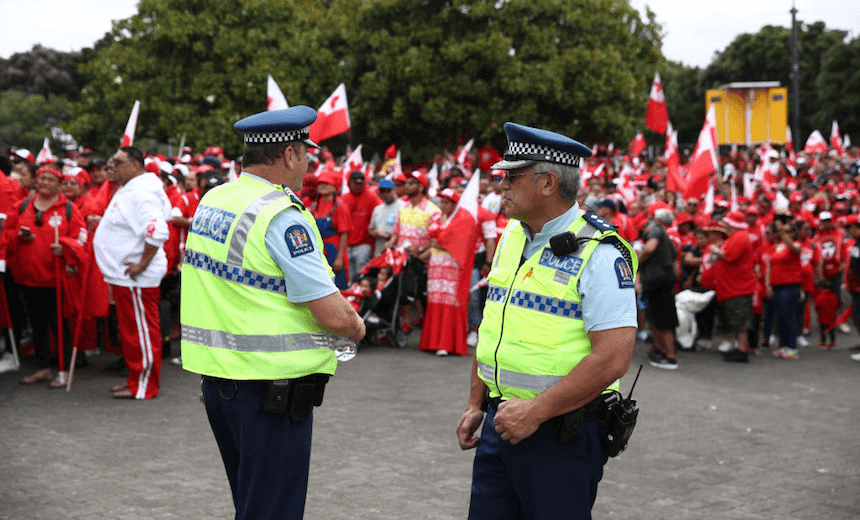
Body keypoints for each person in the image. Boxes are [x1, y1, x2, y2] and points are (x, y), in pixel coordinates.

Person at [180, 106, 365, 520]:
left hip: (221, 381)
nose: (307, 163)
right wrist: (358, 326)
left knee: (251, 503)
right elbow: (334, 316)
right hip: (270, 391)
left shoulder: (215, 198)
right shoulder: (281, 215)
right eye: (305, 153)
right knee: (273, 510)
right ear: (288, 155)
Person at [456, 122, 637, 519]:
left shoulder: (600, 252)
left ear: (548, 183)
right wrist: (476, 401)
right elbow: (494, 324)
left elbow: (613, 358)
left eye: (511, 175)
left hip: (559, 433)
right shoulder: (511, 237)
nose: (500, 183)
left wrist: (535, 412)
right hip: (502, 424)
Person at [93, 146, 171, 399]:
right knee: (132, 334)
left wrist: (141, 265)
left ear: (136, 164)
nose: (111, 166)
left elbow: (157, 231)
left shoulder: (142, 191)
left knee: (142, 333)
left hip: (136, 276)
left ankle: (146, 385)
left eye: (118, 161)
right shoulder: (131, 187)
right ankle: (135, 379)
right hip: (127, 277)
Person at [7, 166, 86, 387]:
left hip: (56, 278)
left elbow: (81, 237)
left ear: (59, 184)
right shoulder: (23, 205)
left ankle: (64, 369)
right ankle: (42, 368)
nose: (44, 182)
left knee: (59, 323)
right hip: (28, 277)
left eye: (50, 179)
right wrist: (19, 237)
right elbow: (8, 234)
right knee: (37, 324)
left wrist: (66, 248)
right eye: (41, 178)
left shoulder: (67, 208)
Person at [419, 188, 478, 357]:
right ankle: (432, 341)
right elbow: (433, 240)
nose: (443, 205)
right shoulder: (438, 217)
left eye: (446, 202)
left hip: (452, 264)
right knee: (435, 298)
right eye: (442, 202)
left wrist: (442, 243)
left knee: (448, 300)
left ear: (454, 203)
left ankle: (446, 343)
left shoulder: (462, 219)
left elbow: (460, 242)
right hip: (436, 263)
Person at [711, 212, 758, 363]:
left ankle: (742, 350)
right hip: (733, 287)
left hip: (739, 288)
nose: (725, 225)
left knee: (741, 320)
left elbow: (729, 256)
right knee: (737, 320)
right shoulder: (737, 236)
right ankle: (740, 348)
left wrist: (716, 251)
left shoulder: (740, 237)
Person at [639, 209, 680, 370]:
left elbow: (649, 248)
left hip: (659, 282)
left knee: (663, 320)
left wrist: (638, 262)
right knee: (656, 319)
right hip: (660, 282)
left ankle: (669, 355)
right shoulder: (667, 237)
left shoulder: (657, 230)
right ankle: (660, 350)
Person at [340, 170, 381, 278]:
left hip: (363, 244)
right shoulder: (343, 199)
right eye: (355, 183)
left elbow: (379, 220)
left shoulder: (372, 198)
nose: (358, 186)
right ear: (350, 183)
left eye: (360, 183)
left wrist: (373, 247)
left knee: (360, 276)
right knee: (347, 277)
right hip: (346, 244)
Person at [367, 178, 402, 255]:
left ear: (394, 190)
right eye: (382, 191)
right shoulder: (377, 209)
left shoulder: (403, 206)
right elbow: (370, 230)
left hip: (397, 250)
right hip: (380, 249)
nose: (385, 194)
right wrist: (374, 233)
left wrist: (393, 236)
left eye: (388, 191)